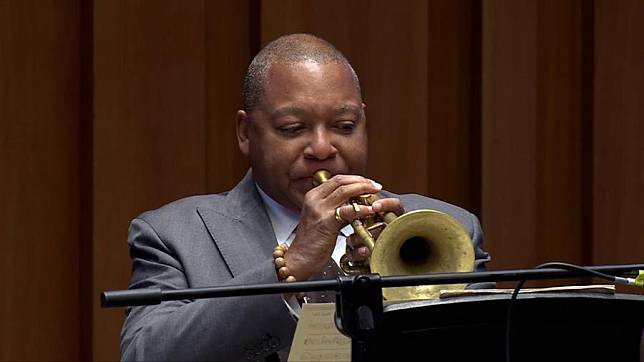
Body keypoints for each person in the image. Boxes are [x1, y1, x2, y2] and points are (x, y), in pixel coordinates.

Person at [120, 33, 491, 361]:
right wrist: (291, 269)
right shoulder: (173, 235)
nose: (321, 147)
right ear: (246, 132)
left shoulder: (448, 229)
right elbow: (144, 353)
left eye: (344, 126)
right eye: (293, 128)